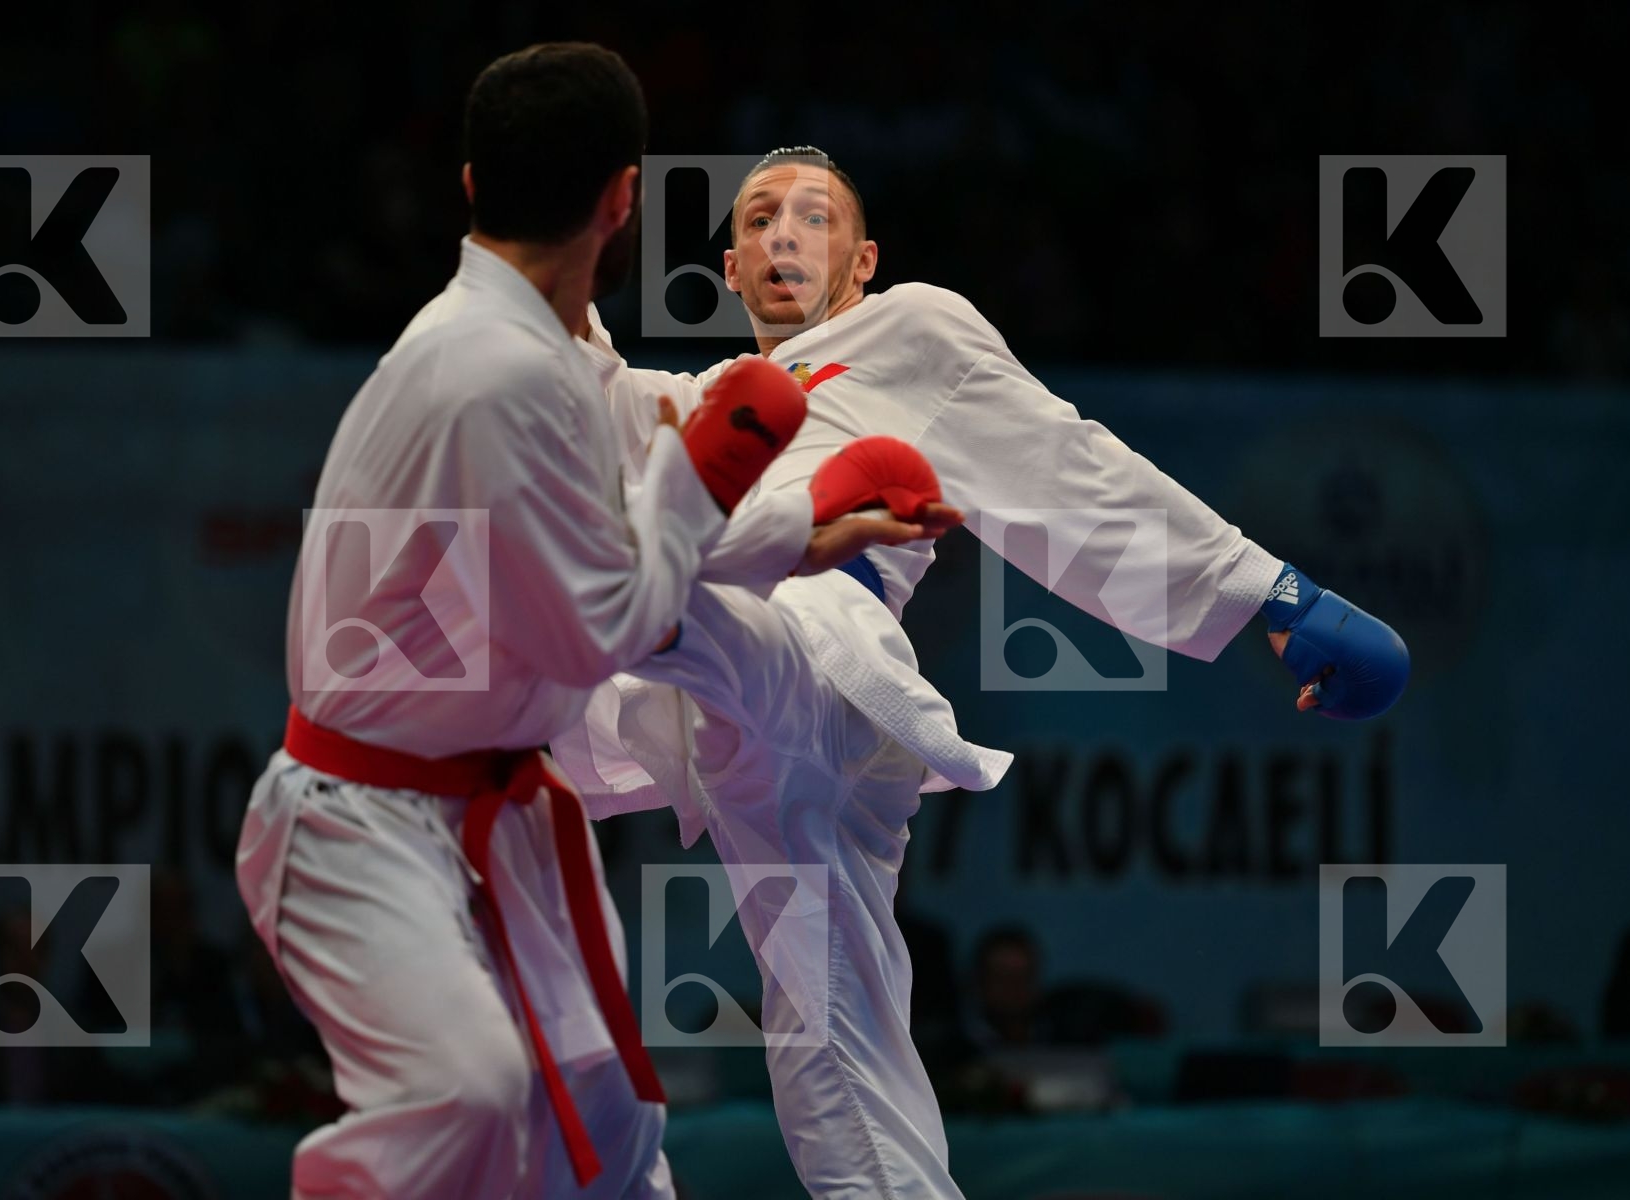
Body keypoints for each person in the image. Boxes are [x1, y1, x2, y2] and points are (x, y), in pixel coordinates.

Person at [555, 146, 1410, 1198]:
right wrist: (556, 235)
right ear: (729, 269)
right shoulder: (705, 401)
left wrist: (1269, 593)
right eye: (759, 218)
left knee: (631, 627)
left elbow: (1070, 467)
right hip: (724, 696)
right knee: (832, 1029)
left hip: (819, 657)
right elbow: (585, 394)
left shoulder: (907, 329)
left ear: (863, 261)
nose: (783, 234)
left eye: (814, 217)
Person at [233, 62, 948, 1200]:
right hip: (361, 820)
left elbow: (649, 466)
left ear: (473, 184)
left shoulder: (558, 354)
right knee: (467, 1098)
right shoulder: (488, 375)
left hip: (493, 803)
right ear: (625, 198)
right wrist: (721, 480)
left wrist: (804, 522)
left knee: (610, 1124)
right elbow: (598, 628)